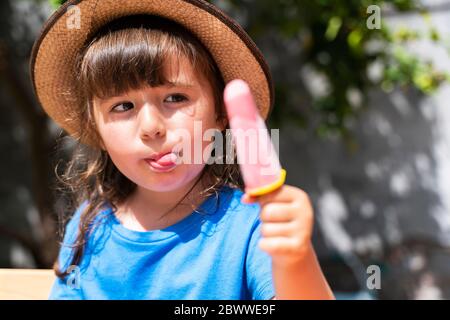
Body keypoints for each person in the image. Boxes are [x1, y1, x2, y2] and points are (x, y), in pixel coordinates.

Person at [30, 0, 334, 300]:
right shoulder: (88, 226)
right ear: (96, 129)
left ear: (221, 115)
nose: (151, 126)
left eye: (175, 98)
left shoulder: (253, 228)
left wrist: (295, 261)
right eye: (123, 106)